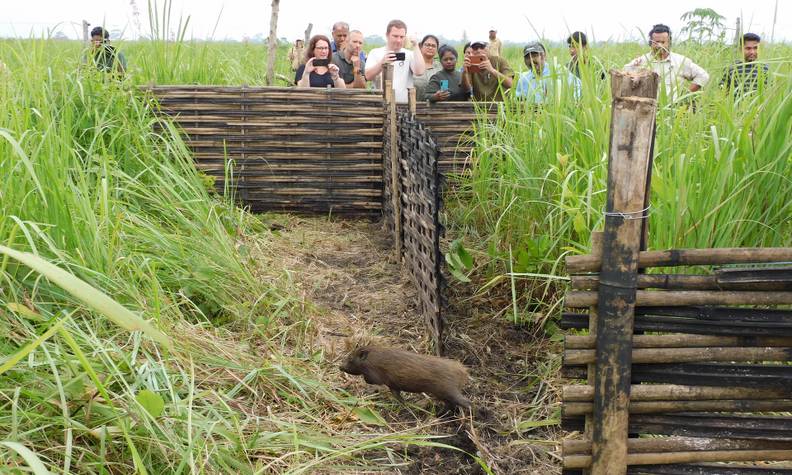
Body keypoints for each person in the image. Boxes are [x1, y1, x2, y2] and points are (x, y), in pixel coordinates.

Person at [624, 24, 709, 101]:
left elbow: (703, 76)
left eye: (663, 42)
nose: (660, 45)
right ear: (650, 43)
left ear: (669, 43)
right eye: (656, 42)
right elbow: (624, 76)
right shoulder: (642, 61)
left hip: (672, 111)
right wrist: (635, 68)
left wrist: (684, 97)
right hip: (645, 111)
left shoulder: (680, 61)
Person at [365, 19, 426, 103]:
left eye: (402, 37)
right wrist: (381, 63)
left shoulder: (409, 54)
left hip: (403, 106)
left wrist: (415, 45)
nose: (399, 40)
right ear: (387, 35)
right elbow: (368, 76)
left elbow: (420, 72)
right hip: (380, 104)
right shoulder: (375, 52)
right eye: (395, 36)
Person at [515, 42, 581, 103]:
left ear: (544, 56)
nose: (531, 60)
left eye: (535, 55)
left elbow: (578, 88)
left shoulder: (558, 71)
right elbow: (518, 101)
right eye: (527, 57)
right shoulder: (524, 78)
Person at [412, 35, 442, 100]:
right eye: (427, 45)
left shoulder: (441, 67)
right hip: (414, 106)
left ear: (437, 49)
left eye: (433, 46)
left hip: (436, 107)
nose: (430, 48)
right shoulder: (413, 64)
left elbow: (444, 85)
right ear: (421, 47)